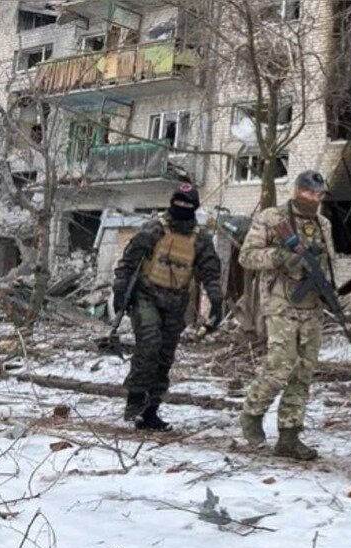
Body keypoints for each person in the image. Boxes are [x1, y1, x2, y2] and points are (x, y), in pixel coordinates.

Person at [237, 170, 336, 460]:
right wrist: (280, 256)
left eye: (318, 194)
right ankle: (252, 413)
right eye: (308, 192)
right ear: (296, 190)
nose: (313, 198)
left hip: (312, 305)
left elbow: (328, 261)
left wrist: (330, 291)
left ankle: (289, 436)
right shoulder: (273, 218)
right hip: (281, 302)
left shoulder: (323, 223)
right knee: (280, 366)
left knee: (303, 372)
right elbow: (247, 256)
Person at [113, 183, 223, 431]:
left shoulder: (200, 239)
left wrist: (216, 301)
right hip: (146, 297)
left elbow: (210, 272)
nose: (182, 208)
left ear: (194, 207)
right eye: (178, 203)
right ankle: (136, 397)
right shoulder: (153, 229)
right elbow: (128, 262)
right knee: (149, 343)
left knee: (164, 356)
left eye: (187, 204)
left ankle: (150, 411)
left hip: (176, 304)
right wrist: (120, 290)